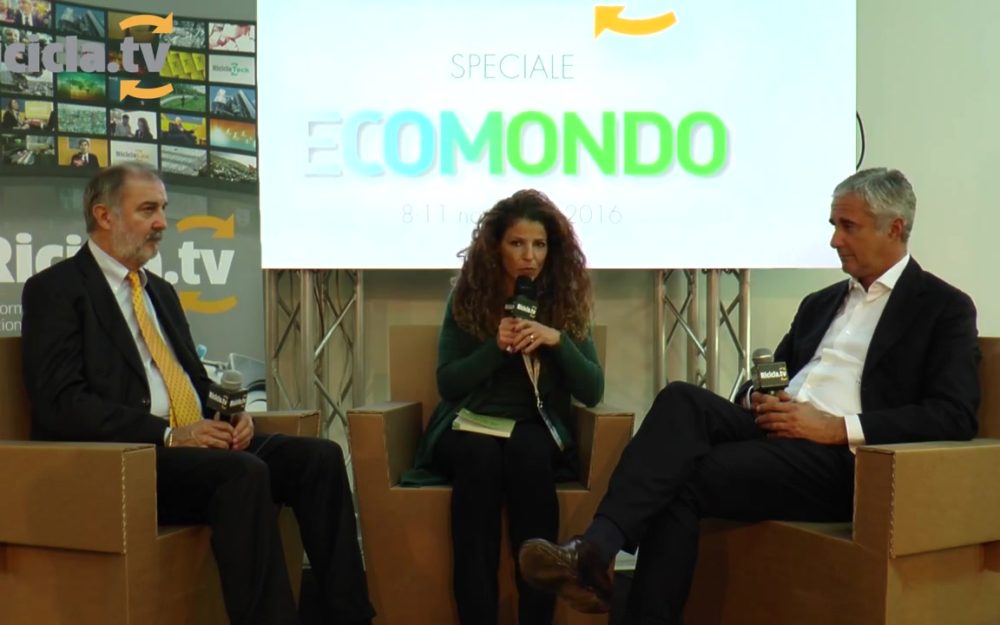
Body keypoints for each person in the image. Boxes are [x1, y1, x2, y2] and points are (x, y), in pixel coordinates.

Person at [518, 168, 980, 622]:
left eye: (848, 226)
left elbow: (954, 414)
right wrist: (754, 398)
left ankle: (594, 557)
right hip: (776, 431)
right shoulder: (820, 303)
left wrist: (835, 428)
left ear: (894, 228)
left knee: (679, 479)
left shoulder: (943, 307)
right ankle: (596, 552)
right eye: (834, 225)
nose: (834, 240)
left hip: (844, 460)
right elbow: (771, 375)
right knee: (681, 398)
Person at [20, 164, 376, 625]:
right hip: (128, 459)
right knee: (242, 474)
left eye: (163, 209)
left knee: (319, 458)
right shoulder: (56, 290)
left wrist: (233, 416)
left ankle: (351, 617)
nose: (162, 223)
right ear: (104, 215)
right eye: (148, 210)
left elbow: (191, 381)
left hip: (190, 446)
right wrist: (169, 434)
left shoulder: (160, 292)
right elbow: (60, 404)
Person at [401, 189, 604, 625]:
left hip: (532, 427)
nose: (529, 256)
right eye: (517, 244)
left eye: (539, 245)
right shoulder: (468, 297)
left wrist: (557, 342)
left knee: (528, 454)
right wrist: (496, 347)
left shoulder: (564, 302)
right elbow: (448, 382)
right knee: (479, 458)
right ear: (496, 247)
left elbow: (592, 389)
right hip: (470, 426)